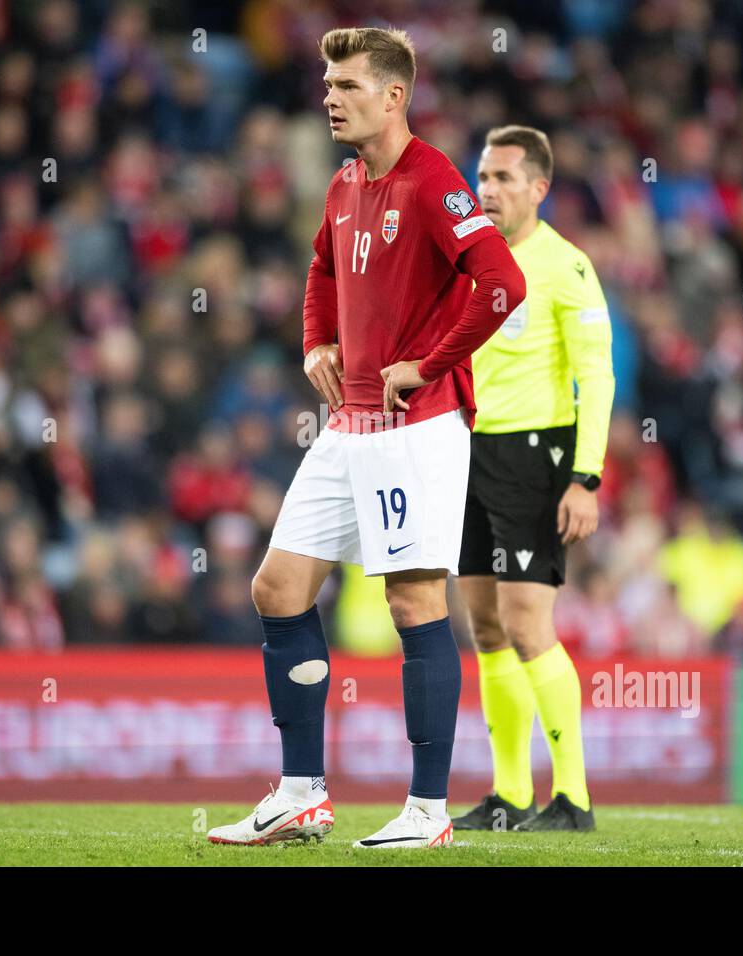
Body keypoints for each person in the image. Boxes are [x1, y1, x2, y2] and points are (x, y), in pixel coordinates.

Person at [207, 27, 525, 850]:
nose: (328, 97)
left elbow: (502, 282)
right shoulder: (346, 183)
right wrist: (316, 341)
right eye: (326, 83)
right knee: (278, 588)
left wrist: (429, 363)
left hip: (416, 426)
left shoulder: (433, 182)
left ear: (393, 97)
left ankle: (427, 811)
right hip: (348, 422)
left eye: (346, 85)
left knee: (413, 602)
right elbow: (320, 269)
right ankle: (303, 792)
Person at [453, 126, 615, 832]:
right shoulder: (466, 261)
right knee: (486, 628)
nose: (486, 189)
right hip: (465, 454)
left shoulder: (567, 268)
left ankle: (573, 798)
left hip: (533, 459)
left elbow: (597, 377)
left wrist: (587, 476)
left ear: (538, 189)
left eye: (502, 179)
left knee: (527, 625)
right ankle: (511, 793)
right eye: (483, 177)